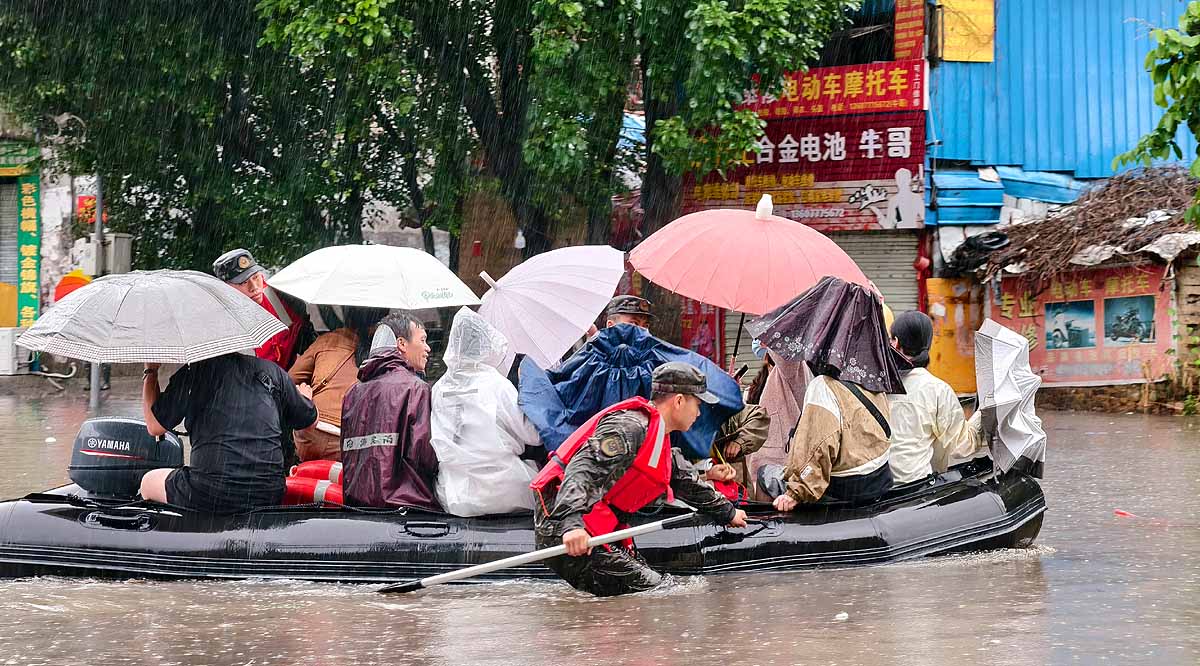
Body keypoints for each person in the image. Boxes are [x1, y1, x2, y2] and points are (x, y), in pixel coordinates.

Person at [531, 362, 748, 597]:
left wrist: (728, 513)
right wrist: (572, 525)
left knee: (654, 586)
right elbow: (583, 469)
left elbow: (684, 481)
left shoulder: (658, 437)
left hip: (595, 526)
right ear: (678, 401)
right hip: (565, 526)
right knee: (658, 592)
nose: (699, 413)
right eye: (697, 404)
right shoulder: (629, 427)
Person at [751, 276, 908, 510]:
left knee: (766, 473)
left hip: (845, 489)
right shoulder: (873, 375)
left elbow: (818, 447)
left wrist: (796, 492)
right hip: (879, 478)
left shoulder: (823, 387)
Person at [138, 354, 318, 514]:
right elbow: (311, 422)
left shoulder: (193, 374)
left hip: (210, 494)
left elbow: (154, 426)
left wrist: (150, 371)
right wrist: (304, 399)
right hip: (268, 493)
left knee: (148, 482)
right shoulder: (271, 372)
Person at [430, 308, 542, 516]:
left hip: (454, 496)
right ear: (486, 344)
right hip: (503, 491)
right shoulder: (496, 384)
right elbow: (533, 435)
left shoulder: (439, 388)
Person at [339, 312, 441, 510]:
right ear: (401, 344)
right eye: (422, 340)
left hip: (358, 509)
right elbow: (425, 456)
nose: (428, 348)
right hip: (407, 509)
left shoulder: (352, 393)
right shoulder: (416, 389)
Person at [887, 311, 985, 484]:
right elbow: (962, 446)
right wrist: (983, 412)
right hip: (918, 487)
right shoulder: (938, 390)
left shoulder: (878, 386)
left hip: (878, 488)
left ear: (896, 342)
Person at [288, 306, 390, 462]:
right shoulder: (387, 351)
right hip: (355, 442)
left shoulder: (329, 340)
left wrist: (306, 393)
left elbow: (290, 380)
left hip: (312, 434)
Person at [213, 248, 305, 369]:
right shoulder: (222, 328)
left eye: (256, 277)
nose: (254, 287)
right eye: (243, 283)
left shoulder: (281, 294)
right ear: (226, 289)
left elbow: (304, 330)